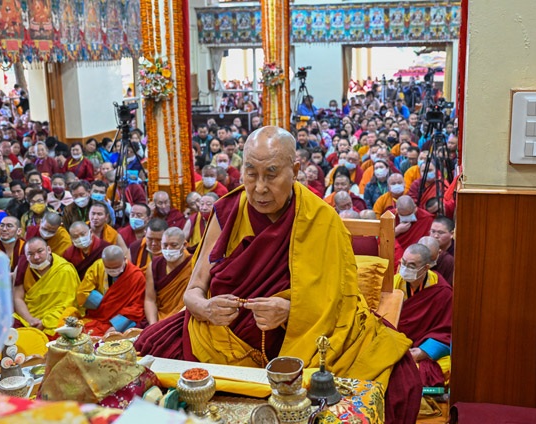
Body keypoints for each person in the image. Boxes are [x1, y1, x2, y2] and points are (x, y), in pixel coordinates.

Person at [135, 126, 420, 422]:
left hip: (302, 340)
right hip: (218, 336)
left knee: (401, 378)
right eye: (251, 173)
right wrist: (206, 308)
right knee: (146, 351)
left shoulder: (323, 220)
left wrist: (291, 310)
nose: (259, 187)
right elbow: (192, 292)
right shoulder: (228, 211)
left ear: (295, 170)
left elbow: (340, 300)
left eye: (271, 175)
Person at [393, 244, 452, 388]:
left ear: (426, 267)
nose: (405, 268)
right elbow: (383, 320)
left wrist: (424, 352)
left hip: (424, 346)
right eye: (403, 263)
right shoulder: (393, 283)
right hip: (396, 343)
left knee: (449, 366)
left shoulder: (442, 291)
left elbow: (448, 330)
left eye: (412, 265)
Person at [13, 237, 80, 337]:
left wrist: (44, 323)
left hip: (54, 318)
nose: (36, 257)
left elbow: (67, 304)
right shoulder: (22, 267)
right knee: (9, 331)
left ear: (48, 250)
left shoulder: (65, 270)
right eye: (30, 254)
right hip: (28, 316)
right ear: (26, 256)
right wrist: (30, 319)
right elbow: (17, 298)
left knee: (60, 335)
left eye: (40, 251)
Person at [73, 246, 145, 336]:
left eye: (116, 267)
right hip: (97, 316)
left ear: (124, 259)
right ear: (103, 262)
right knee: (77, 332)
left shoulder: (136, 276)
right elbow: (82, 293)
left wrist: (116, 326)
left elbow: (137, 306)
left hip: (122, 320)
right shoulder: (98, 267)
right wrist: (103, 303)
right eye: (108, 268)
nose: (112, 270)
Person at [144, 227, 192, 325]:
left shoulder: (194, 264)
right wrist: (153, 325)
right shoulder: (155, 265)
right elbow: (149, 299)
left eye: (173, 245)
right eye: (165, 245)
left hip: (185, 318)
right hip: (160, 318)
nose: (168, 249)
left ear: (184, 245)